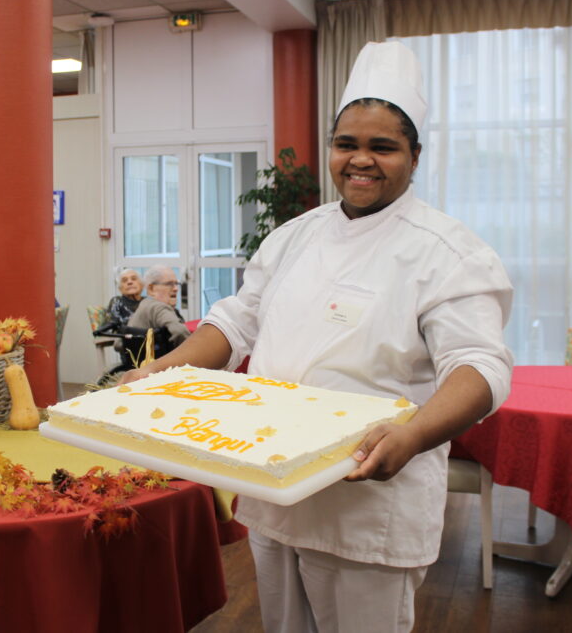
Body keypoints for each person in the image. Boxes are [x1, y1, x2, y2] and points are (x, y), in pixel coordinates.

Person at [121, 41, 513, 632]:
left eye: (383, 147)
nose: (361, 160)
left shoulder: (446, 252)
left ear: (415, 155)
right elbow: (234, 322)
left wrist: (412, 435)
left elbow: (481, 367)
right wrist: (167, 369)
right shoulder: (294, 237)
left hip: (368, 503)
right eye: (346, 144)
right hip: (274, 484)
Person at [127, 265, 190, 350]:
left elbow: (119, 344)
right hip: (162, 362)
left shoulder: (143, 305)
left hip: (138, 362)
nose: (176, 289)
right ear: (151, 289)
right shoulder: (159, 307)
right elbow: (180, 332)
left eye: (176, 284)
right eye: (170, 284)